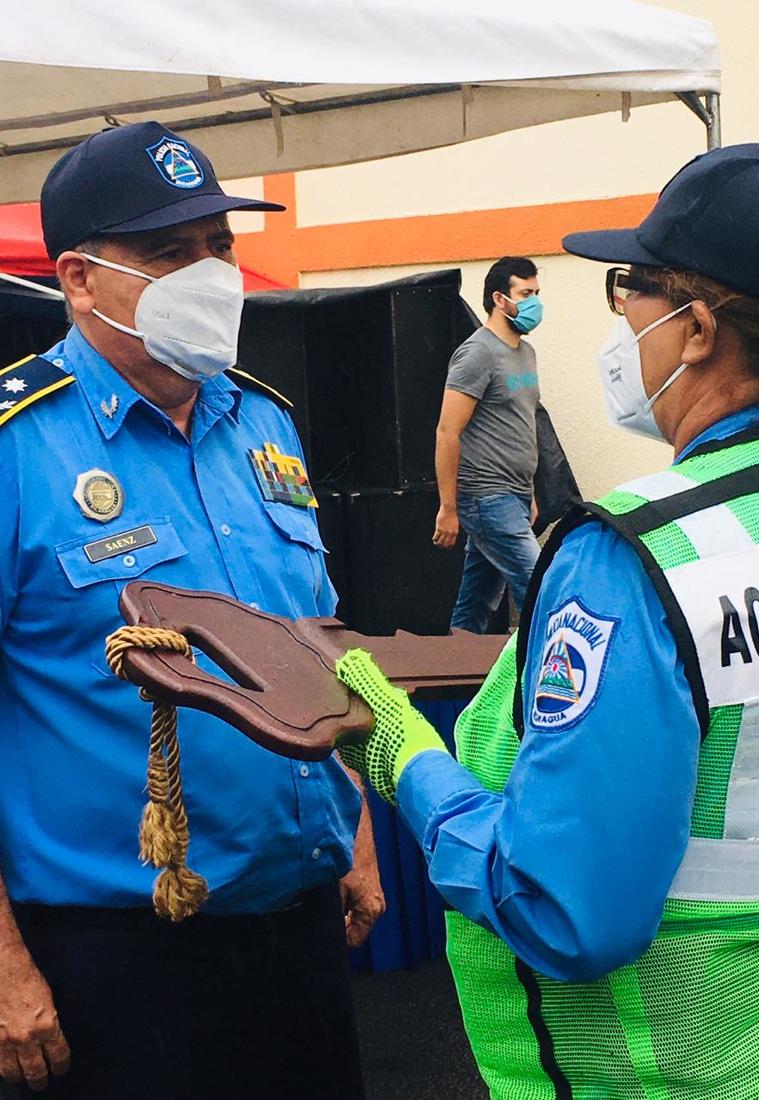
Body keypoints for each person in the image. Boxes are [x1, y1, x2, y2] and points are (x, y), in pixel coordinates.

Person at [336, 143, 759, 1099]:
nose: (619, 322)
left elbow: (565, 911)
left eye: (629, 290)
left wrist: (404, 759)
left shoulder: (632, 561)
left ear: (696, 330)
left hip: (663, 1068)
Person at [0, 121, 384, 1100]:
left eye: (219, 244)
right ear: (79, 279)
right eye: (170, 252)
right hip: (118, 953)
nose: (210, 273)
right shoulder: (17, 446)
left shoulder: (262, 420)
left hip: (299, 921)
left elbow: (314, 648)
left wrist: (353, 830)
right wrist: (4, 967)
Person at [433, 256, 543, 632]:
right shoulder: (478, 353)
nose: (534, 303)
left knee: (476, 601)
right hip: (486, 498)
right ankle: (545, 666)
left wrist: (529, 492)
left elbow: (520, 424)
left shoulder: (526, 354)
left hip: (515, 495)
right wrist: (449, 508)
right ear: (499, 298)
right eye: (525, 294)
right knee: (542, 588)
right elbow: (447, 431)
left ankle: (455, 662)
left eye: (537, 293)